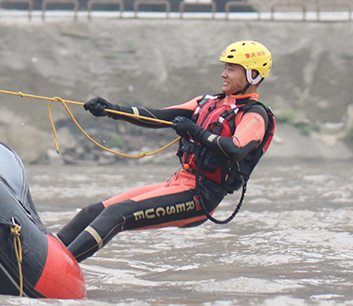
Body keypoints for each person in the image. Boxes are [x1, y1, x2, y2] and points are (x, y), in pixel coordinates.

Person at [56, 40, 275, 263]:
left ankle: (61, 265)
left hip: (201, 196)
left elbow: (235, 149)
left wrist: (196, 132)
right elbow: (158, 117)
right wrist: (112, 110)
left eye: (231, 68)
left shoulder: (254, 115)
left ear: (253, 75)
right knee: (93, 212)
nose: (223, 74)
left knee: (116, 215)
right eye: (224, 68)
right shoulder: (208, 102)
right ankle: (49, 251)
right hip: (179, 182)